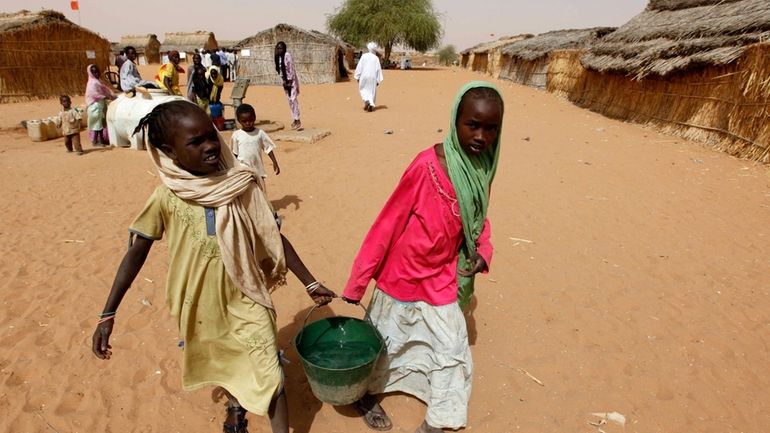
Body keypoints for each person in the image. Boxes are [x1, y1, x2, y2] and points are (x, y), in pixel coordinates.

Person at [91, 100, 336, 433]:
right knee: (225, 363)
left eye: (211, 136)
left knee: (271, 375)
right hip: (199, 303)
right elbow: (136, 255)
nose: (210, 146)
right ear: (169, 150)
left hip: (247, 296)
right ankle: (235, 406)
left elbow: (273, 237)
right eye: (196, 142)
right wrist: (108, 312)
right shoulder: (167, 197)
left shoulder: (241, 184)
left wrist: (310, 282)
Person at [341, 81, 504, 433]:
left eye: (491, 128)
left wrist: (482, 252)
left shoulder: (482, 168)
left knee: (450, 347)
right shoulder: (427, 165)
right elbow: (388, 222)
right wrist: (358, 282)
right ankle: (366, 394)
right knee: (384, 342)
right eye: (472, 125)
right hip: (402, 273)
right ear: (455, 120)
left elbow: (479, 218)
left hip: (443, 275)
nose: (481, 136)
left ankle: (439, 419)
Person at [230, 104, 280, 193]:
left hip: (258, 168)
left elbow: (268, 148)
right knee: (246, 191)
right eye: (244, 121)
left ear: (254, 118)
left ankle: (262, 206)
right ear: (239, 121)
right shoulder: (236, 135)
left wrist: (275, 162)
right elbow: (234, 153)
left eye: (250, 120)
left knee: (260, 190)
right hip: (243, 169)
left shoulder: (260, 133)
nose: (248, 123)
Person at [85, 64, 117, 147]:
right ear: (90, 73)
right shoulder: (93, 83)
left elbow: (105, 90)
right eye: (94, 72)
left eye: (97, 72)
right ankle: (95, 141)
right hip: (95, 106)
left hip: (100, 105)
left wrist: (111, 96)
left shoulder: (98, 82)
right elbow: (94, 94)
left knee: (100, 124)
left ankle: (101, 140)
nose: (96, 74)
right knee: (97, 124)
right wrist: (106, 96)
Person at [274, 42, 301, 130]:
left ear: (284, 48)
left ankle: (297, 119)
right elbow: (280, 70)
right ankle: (294, 118)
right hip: (285, 81)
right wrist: (284, 81)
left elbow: (290, 68)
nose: (279, 50)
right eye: (278, 48)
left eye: (281, 48)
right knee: (290, 100)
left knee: (293, 99)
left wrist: (289, 80)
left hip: (291, 81)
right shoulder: (279, 57)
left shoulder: (287, 55)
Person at [354, 42, 384, 112]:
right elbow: (378, 69)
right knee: (372, 91)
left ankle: (366, 101)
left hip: (364, 76)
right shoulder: (376, 58)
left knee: (363, 89)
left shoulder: (364, 56)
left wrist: (357, 76)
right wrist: (378, 80)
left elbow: (360, 66)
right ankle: (371, 104)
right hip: (373, 77)